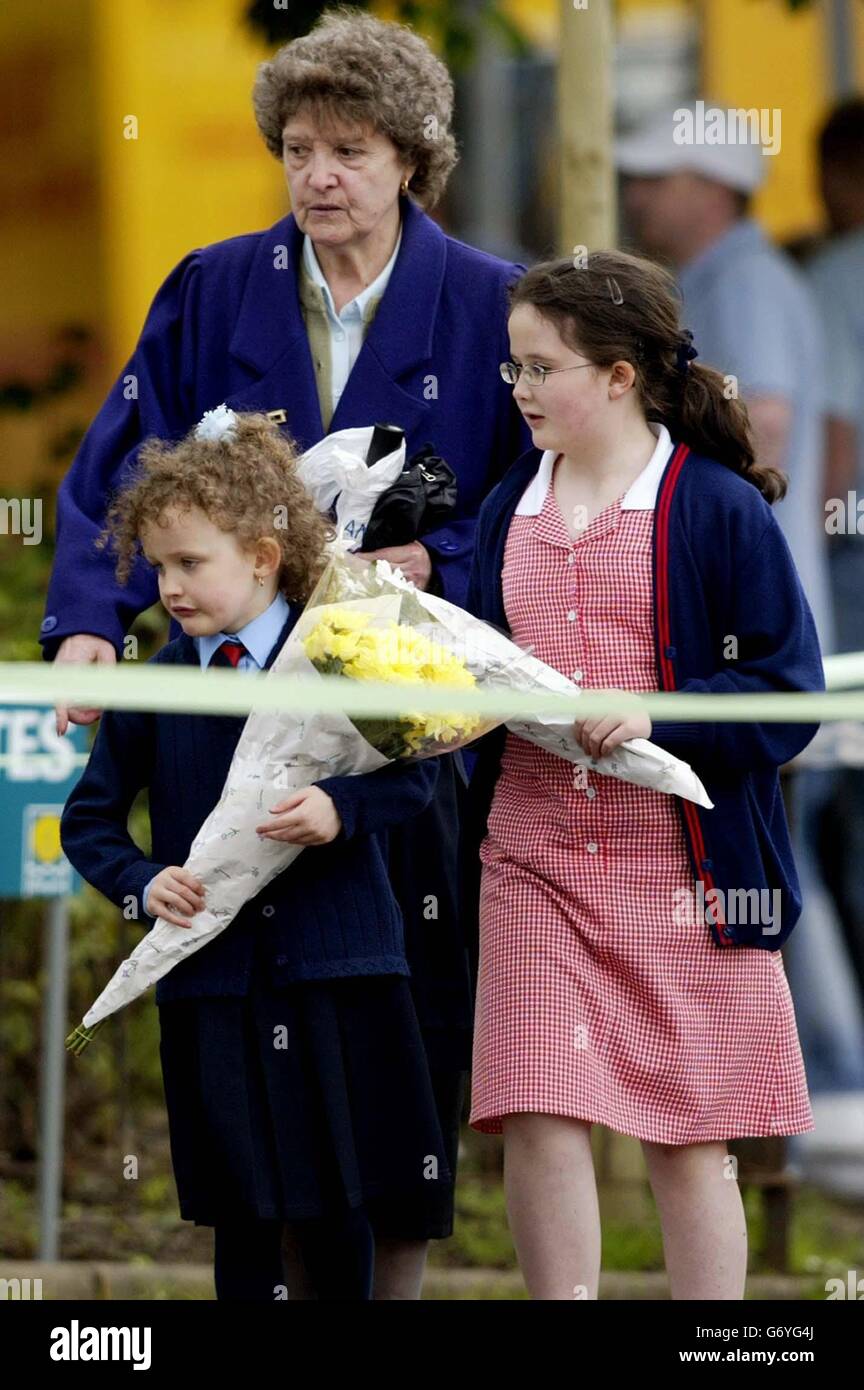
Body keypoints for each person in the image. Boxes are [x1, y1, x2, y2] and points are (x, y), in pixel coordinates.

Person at [41, 8, 530, 1285]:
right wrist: (90, 627)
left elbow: (536, 505)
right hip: (222, 696)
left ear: (412, 161)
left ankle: (390, 1286)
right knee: (233, 1014)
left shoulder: (489, 304)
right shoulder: (212, 285)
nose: (317, 174)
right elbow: (118, 471)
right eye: (299, 148)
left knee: (396, 1010)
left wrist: (443, 564)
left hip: (404, 691)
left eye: (350, 150)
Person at [462, 250, 824, 1300]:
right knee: (535, 1103)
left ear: (620, 375)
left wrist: (662, 712)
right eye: (512, 369)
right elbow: (488, 673)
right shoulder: (503, 511)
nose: (520, 390)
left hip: (683, 866)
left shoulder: (715, 508)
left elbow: (789, 693)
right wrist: (443, 721)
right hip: (528, 854)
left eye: (542, 368)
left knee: (689, 1128)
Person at [60, 410, 452, 1300]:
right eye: (158, 566)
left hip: (339, 970)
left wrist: (338, 807)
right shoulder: (153, 685)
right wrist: (140, 882)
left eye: (190, 563)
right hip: (216, 988)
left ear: (265, 558)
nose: (170, 587)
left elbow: (414, 782)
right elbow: (92, 821)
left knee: (342, 1196)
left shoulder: (344, 651)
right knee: (243, 1204)